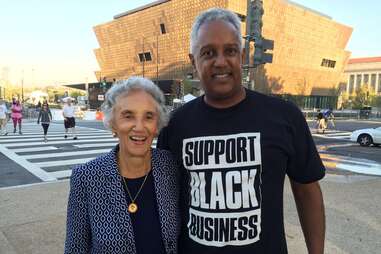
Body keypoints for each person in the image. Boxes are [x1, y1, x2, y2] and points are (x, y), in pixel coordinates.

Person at [157, 8, 325, 254]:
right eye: (208, 52)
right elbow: (165, 200)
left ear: (243, 57)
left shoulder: (284, 116)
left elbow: (307, 190)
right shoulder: (175, 124)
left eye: (230, 51)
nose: (221, 61)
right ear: (193, 60)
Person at [65, 77, 179, 254]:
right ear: (113, 122)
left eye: (149, 116)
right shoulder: (86, 177)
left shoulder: (170, 166)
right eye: (128, 116)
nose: (140, 127)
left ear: (157, 124)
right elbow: (75, 249)